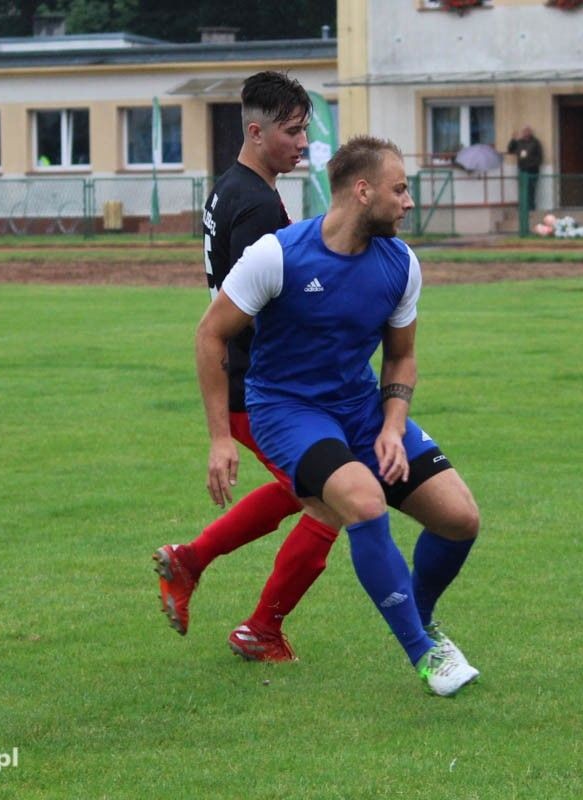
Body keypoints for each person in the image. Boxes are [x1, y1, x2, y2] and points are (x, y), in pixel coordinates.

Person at [195, 135, 481, 697]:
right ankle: (425, 656)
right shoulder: (278, 254)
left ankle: (419, 615)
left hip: (362, 409)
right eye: (400, 189)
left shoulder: (400, 263)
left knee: (459, 519)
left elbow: (400, 356)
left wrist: (394, 426)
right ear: (362, 189)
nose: (408, 202)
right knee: (363, 500)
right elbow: (210, 335)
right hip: (287, 411)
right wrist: (219, 438)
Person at [154, 71, 339, 662]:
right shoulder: (256, 204)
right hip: (260, 385)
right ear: (256, 132)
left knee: (301, 489)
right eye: (291, 131)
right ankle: (260, 629)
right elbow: (265, 307)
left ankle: (190, 561)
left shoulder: (231, 188)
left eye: (305, 129)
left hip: (254, 378)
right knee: (328, 500)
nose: (302, 142)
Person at [506, 125, 543, 210]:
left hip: (532, 169)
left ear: (530, 133)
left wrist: (533, 164)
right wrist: (513, 140)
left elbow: (540, 157)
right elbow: (510, 150)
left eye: (527, 131)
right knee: (523, 189)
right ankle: (523, 207)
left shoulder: (535, 142)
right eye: (524, 131)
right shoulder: (519, 142)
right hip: (522, 169)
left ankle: (531, 207)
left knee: (531, 189)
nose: (525, 133)